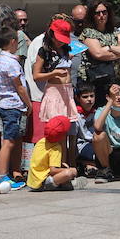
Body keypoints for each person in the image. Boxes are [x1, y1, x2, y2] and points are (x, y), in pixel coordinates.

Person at [0, 23, 29, 190]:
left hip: (7, 105)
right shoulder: (11, 62)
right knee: (8, 142)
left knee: (10, 140)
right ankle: (2, 176)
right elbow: (19, 86)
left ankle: (4, 174)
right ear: (13, 41)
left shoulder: (1, 59)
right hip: (12, 106)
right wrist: (28, 104)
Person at [33, 18, 77, 155]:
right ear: (51, 34)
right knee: (56, 129)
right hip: (54, 93)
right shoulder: (43, 51)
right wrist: (53, 73)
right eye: (59, 38)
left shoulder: (66, 50)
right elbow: (36, 75)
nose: (61, 42)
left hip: (67, 92)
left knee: (65, 129)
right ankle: (55, 162)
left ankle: (65, 161)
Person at [80, 0, 120, 108]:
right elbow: (98, 54)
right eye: (97, 13)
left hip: (118, 78)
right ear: (92, 15)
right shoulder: (88, 32)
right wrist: (119, 52)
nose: (101, 15)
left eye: (104, 12)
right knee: (102, 112)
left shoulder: (115, 31)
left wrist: (109, 48)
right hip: (99, 81)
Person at [27, 114, 81, 192]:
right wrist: (70, 170)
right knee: (69, 172)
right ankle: (52, 184)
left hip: (33, 180)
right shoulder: (55, 148)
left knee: (65, 169)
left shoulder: (41, 142)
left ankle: (64, 182)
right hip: (41, 182)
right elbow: (53, 170)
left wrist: (62, 165)